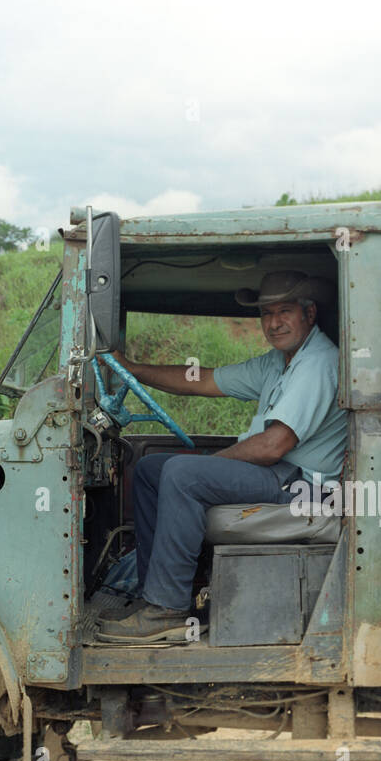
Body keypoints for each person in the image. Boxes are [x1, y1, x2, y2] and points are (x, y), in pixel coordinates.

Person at [98, 270, 346, 643]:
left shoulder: (319, 362)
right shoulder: (279, 362)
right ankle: (153, 597)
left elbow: (273, 445)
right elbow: (203, 379)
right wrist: (132, 369)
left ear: (309, 314)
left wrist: (215, 462)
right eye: (266, 313)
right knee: (150, 469)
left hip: (301, 485)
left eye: (285, 311)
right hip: (278, 474)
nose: (274, 322)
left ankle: (169, 611)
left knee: (183, 473)